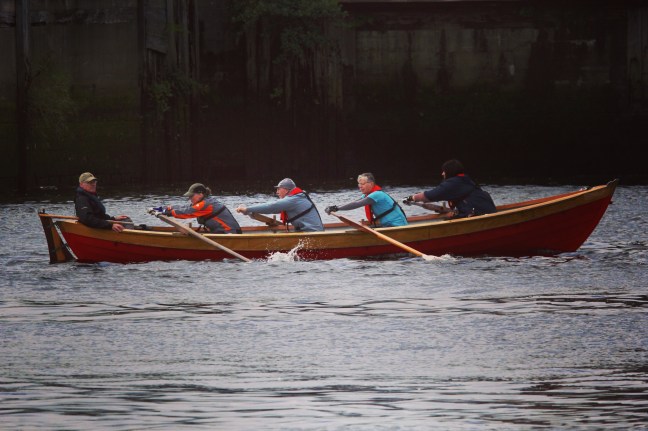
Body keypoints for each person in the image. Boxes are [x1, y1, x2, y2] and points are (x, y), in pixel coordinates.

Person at [403, 159, 497, 218]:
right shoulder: (465, 179)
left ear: (449, 172)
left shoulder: (453, 183)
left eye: (444, 171)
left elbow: (430, 196)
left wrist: (412, 198)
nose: (442, 174)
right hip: (488, 211)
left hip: (479, 214)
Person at [236, 178, 324, 232]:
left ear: (286, 190)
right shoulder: (295, 198)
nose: (277, 192)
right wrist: (249, 211)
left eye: (279, 189)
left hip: (312, 233)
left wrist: (247, 209)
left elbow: (271, 207)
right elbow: (272, 208)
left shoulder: (293, 200)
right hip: (307, 232)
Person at [325, 173, 408, 227]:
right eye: (359, 184)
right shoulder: (367, 195)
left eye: (362, 184)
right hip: (387, 225)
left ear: (371, 184)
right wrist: (335, 207)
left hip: (398, 225)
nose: (360, 186)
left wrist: (337, 208)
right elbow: (354, 202)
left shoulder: (377, 194)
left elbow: (357, 204)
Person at [161, 183, 242, 234]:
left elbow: (188, 212)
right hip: (222, 232)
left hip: (230, 233)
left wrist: (170, 213)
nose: (190, 198)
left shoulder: (205, 204)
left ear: (200, 194)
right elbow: (185, 207)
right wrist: (166, 208)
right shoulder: (203, 202)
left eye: (191, 196)